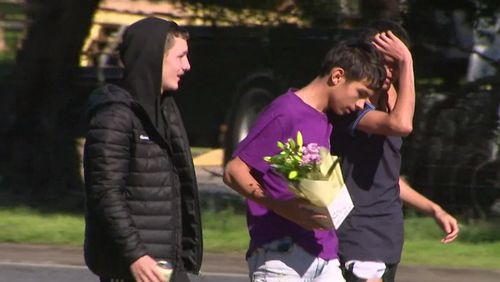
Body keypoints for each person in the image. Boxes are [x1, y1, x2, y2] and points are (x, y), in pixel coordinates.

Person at [223, 38, 386, 281]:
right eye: (361, 94)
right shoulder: (285, 112)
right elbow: (234, 171)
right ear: (337, 76)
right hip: (282, 257)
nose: (363, 105)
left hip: (324, 255)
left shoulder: (324, 119)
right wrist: (283, 207)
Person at [330, 20, 460, 282]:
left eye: (395, 63)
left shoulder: (391, 101)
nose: (390, 71)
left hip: (387, 237)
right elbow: (402, 125)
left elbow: (387, 179)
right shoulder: (352, 108)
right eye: (385, 62)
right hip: (358, 236)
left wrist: (434, 209)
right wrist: (407, 62)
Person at [83, 17, 202, 282]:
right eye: (180, 56)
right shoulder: (114, 116)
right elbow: (105, 194)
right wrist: (135, 256)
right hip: (132, 269)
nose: (187, 66)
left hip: (166, 265)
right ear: (154, 57)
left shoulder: (165, 112)